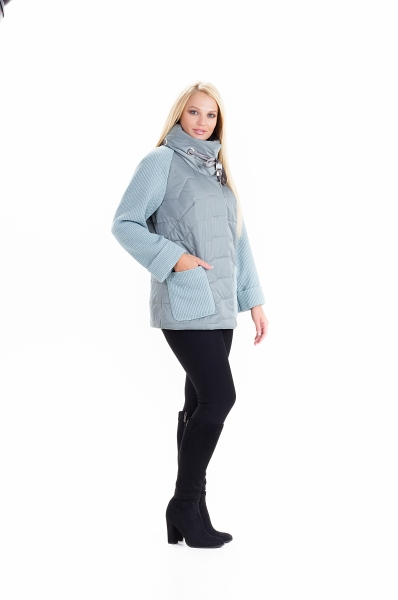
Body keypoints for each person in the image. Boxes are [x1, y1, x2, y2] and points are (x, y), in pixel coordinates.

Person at [111, 81, 268, 549]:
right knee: (220, 398)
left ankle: (192, 510)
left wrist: (254, 300)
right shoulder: (161, 161)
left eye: (211, 115)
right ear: (180, 114)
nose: (202, 122)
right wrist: (175, 258)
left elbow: (238, 240)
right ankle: (183, 504)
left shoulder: (218, 172)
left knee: (201, 402)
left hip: (221, 306)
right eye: (194, 112)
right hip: (185, 299)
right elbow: (124, 223)